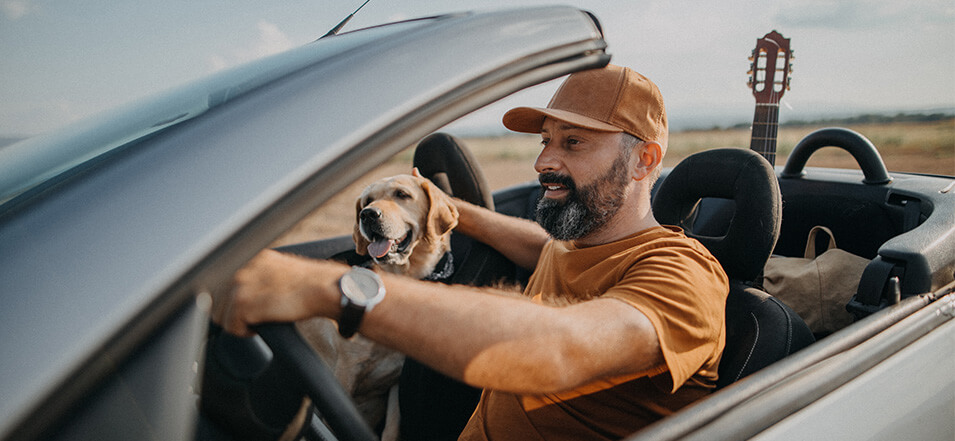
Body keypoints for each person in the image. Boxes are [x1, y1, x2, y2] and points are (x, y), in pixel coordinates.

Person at [221, 64, 729, 440]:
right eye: (546, 140)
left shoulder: (684, 275)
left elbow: (561, 345)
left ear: (644, 160)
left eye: (573, 143)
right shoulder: (578, 243)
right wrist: (447, 205)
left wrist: (329, 288)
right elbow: (541, 247)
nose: (544, 161)